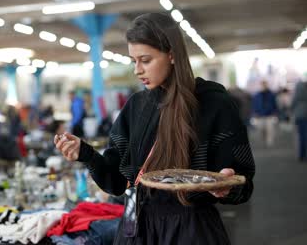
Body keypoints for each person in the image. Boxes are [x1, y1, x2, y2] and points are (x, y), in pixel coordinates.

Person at [54, 13, 255, 245]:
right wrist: (85, 154)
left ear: (171, 54)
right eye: (134, 61)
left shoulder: (213, 103)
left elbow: (244, 183)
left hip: (191, 231)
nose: (137, 70)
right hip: (137, 229)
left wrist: (227, 186)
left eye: (146, 60)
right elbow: (117, 183)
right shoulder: (136, 106)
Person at [252, 80, 278, 146]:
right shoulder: (257, 95)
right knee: (261, 129)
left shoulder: (271, 94)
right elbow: (254, 104)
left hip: (269, 115)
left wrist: (275, 112)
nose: (264, 86)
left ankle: (269, 142)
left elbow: (275, 104)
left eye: (265, 84)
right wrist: (255, 112)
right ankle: (263, 141)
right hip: (260, 115)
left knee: (270, 129)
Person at [291, 78, 307, 161]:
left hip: (300, 115)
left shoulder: (299, 87)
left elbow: (293, 102)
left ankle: (302, 155)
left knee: (302, 135)